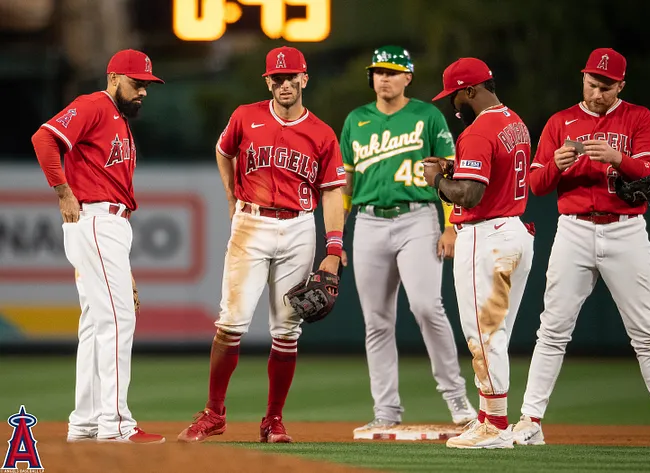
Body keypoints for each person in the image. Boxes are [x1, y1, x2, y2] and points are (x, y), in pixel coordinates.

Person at [510, 48, 650, 448]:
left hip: (626, 229)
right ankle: (530, 420)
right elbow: (536, 184)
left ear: (620, 86)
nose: (597, 92)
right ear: (583, 79)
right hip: (573, 229)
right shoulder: (560, 122)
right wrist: (555, 165)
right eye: (592, 83)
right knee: (552, 330)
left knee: (646, 332)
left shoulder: (638, 117)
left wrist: (617, 158)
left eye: (606, 86)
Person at [177, 46, 346, 444]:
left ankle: (273, 420)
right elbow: (223, 151)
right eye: (277, 78)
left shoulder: (321, 132)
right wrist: (231, 199)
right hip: (251, 223)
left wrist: (334, 249)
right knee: (231, 322)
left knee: (287, 329)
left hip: (299, 226)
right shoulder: (245, 116)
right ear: (267, 81)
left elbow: (333, 192)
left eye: (291, 78)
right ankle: (214, 413)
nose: (284, 84)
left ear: (304, 79)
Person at [30, 49, 165, 444]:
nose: (143, 91)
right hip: (94, 219)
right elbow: (44, 137)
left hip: (110, 224)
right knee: (118, 322)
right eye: (136, 83)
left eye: (147, 85)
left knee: (94, 323)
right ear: (113, 78)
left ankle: (86, 422)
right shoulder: (93, 104)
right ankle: (116, 424)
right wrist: (62, 192)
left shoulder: (119, 119)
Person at [340, 45, 476, 432]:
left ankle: (457, 400)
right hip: (367, 222)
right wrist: (338, 235)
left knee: (426, 307)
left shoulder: (427, 116)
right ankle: (386, 412)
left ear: (408, 77)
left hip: (418, 218)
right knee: (376, 321)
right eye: (378, 71)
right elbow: (347, 183)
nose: (383, 77)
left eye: (392, 71)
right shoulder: (356, 120)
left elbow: (451, 173)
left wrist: (452, 225)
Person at [423, 57, 535, 449]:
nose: (453, 101)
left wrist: (438, 178)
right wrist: (458, 166)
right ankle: (489, 416)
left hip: (486, 235)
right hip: (516, 232)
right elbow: (498, 170)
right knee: (495, 334)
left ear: (471, 90)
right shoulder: (515, 122)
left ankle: (497, 425)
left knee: (483, 335)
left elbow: (470, 194)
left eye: (456, 93)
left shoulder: (477, 131)